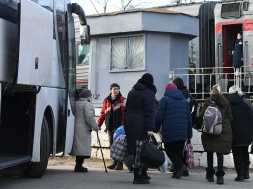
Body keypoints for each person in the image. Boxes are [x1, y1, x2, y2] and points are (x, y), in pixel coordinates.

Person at [124, 73, 157, 184]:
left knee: (133, 149)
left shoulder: (131, 92)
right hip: (141, 125)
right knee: (141, 150)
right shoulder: (149, 93)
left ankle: (142, 174)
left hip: (129, 124)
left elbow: (127, 109)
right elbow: (149, 112)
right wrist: (150, 128)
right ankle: (137, 177)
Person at [155, 83, 192, 179]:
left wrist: (155, 127)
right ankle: (176, 173)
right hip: (182, 131)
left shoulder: (165, 100)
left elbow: (159, 116)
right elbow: (189, 118)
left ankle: (180, 166)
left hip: (170, 130)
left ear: (166, 91)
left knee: (170, 151)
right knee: (178, 152)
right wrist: (189, 133)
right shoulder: (184, 101)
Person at [200, 84, 233, 185]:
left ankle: (210, 174)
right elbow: (230, 117)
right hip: (221, 130)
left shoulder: (208, 101)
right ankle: (220, 177)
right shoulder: (225, 101)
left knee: (210, 152)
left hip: (209, 129)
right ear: (220, 91)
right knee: (220, 153)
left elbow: (202, 115)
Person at [226, 85, 253, 182]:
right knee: (245, 152)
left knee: (236, 153)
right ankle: (246, 173)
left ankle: (240, 174)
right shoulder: (246, 102)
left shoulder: (227, 103)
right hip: (246, 132)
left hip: (234, 132)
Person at [97, 83, 126, 170]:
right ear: (110, 90)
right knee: (112, 144)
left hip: (119, 127)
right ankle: (114, 161)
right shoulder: (106, 101)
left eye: (117, 89)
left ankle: (120, 163)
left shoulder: (122, 100)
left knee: (120, 145)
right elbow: (103, 113)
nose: (116, 91)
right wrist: (99, 124)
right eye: (114, 89)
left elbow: (124, 114)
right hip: (109, 126)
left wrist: (123, 125)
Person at [170, 77, 195, 176]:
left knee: (175, 148)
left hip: (176, 123)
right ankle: (184, 168)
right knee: (184, 147)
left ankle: (179, 167)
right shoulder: (188, 95)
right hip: (186, 123)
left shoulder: (177, 95)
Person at [71, 89, 99, 172]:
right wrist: (95, 126)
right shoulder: (87, 104)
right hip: (83, 128)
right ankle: (79, 166)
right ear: (87, 97)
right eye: (91, 96)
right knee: (82, 147)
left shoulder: (76, 103)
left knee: (79, 147)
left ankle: (78, 165)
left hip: (76, 127)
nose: (91, 98)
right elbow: (89, 117)